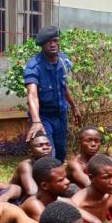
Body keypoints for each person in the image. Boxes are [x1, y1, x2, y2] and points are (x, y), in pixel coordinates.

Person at [24, 26, 81, 162]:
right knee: (48, 153)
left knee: (61, 151)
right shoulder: (34, 66)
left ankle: (57, 179)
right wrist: (36, 121)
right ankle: (44, 179)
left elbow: (64, 86)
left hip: (60, 115)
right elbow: (32, 94)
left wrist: (74, 106)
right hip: (44, 117)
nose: (53, 44)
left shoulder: (62, 61)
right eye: (49, 42)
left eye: (55, 40)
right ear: (42, 45)